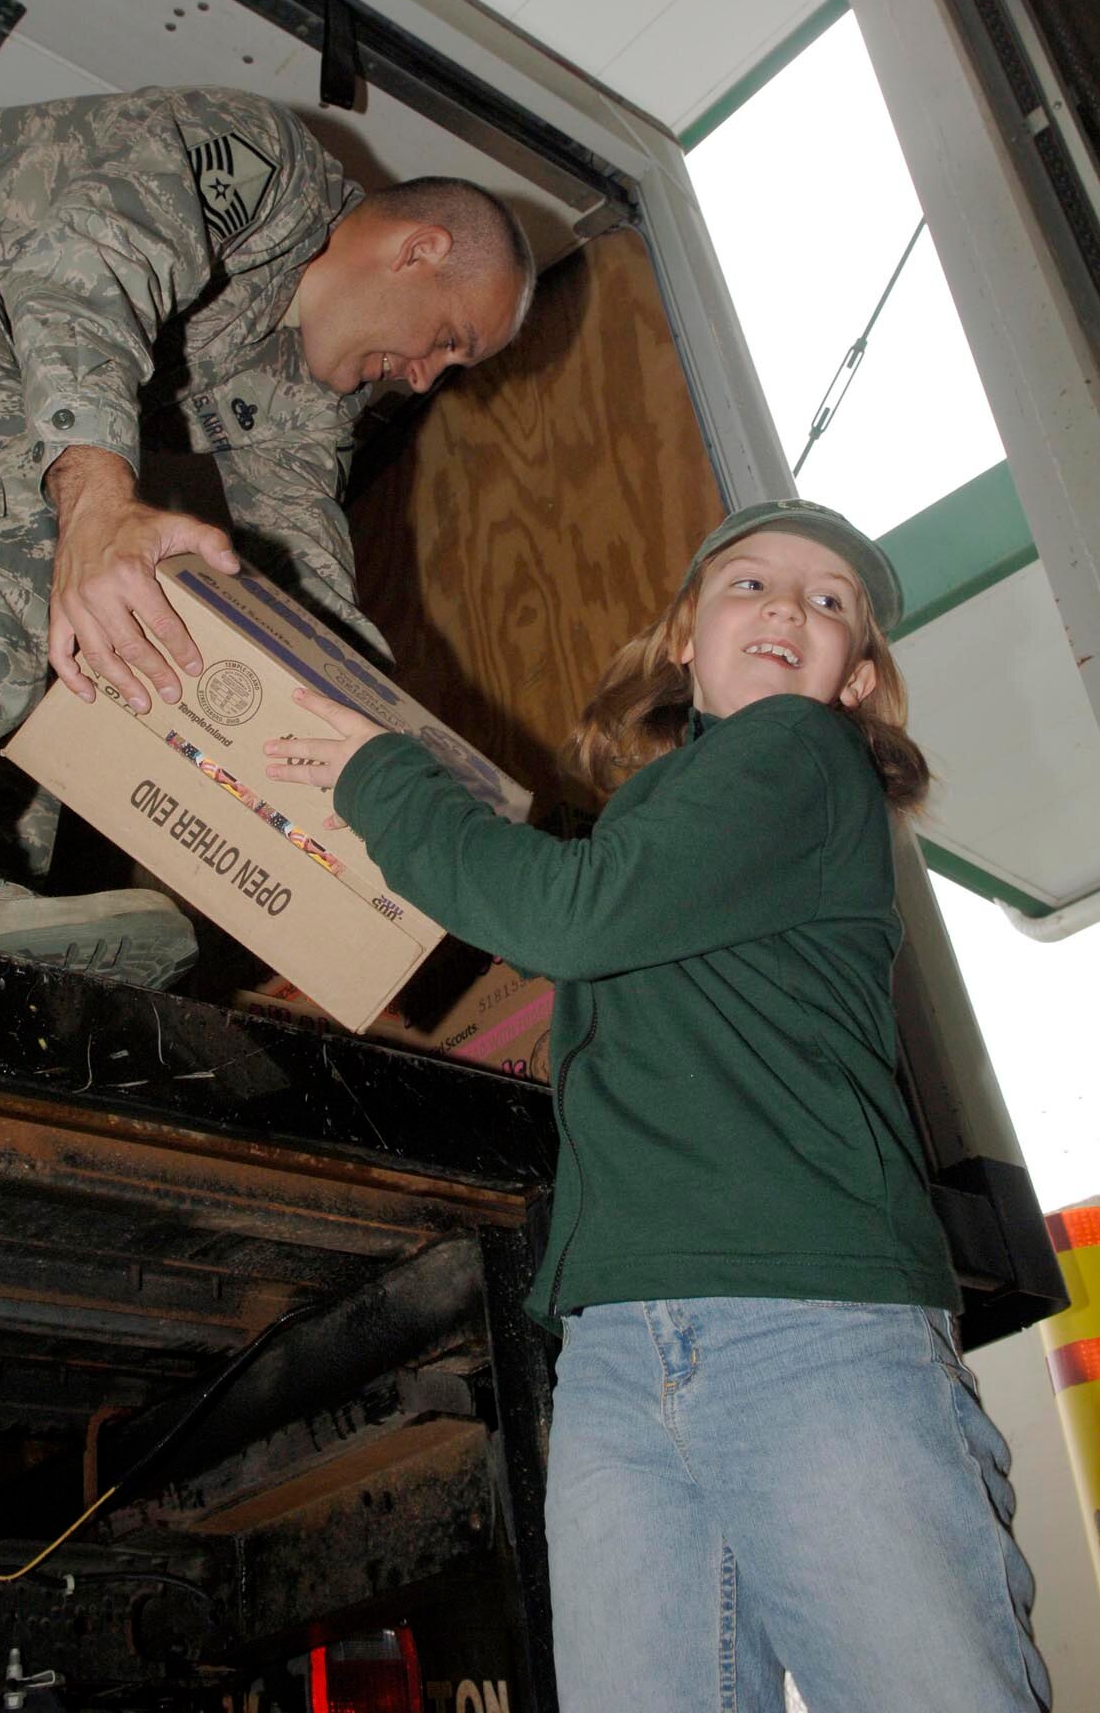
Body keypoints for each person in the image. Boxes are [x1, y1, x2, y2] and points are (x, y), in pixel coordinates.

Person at [264, 498, 1049, 1713]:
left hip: (811, 1321)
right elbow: (579, 931)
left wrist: (377, 776)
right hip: (624, 1348)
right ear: (685, 634)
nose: (791, 604)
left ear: (855, 685)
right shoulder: (668, 817)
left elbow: (564, 911)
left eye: (830, 601)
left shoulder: (798, 754)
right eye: (752, 582)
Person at [0, 84, 533, 984]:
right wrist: (96, 500)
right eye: (447, 340)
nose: (426, 380)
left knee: (58, 677)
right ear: (419, 251)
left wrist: (376, 744)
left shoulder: (310, 396)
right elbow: (87, 270)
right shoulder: (265, 170)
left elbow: (302, 569)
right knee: (22, 500)